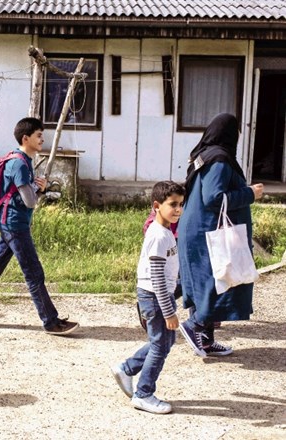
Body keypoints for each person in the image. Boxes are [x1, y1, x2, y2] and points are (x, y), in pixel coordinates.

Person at [0, 117, 79, 335]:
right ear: (26, 138)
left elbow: (24, 194)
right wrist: (40, 189)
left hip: (10, 222)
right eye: (39, 135)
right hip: (14, 224)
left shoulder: (20, 160)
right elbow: (29, 200)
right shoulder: (20, 164)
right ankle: (51, 322)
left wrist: (35, 188)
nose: (42, 139)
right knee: (34, 273)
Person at [177, 113, 263, 357]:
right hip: (208, 232)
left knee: (206, 281)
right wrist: (249, 194)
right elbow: (214, 198)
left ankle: (205, 340)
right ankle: (194, 326)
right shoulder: (220, 160)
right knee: (220, 281)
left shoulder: (205, 156)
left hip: (197, 230)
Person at [111, 181, 184, 415]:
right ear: (156, 205)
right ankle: (143, 394)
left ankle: (126, 368)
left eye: (181, 205)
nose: (178, 210)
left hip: (158, 296)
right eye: (172, 204)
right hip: (155, 297)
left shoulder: (166, 232)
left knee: (164, 342)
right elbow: (157, 278)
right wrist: (170, 311)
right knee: (160, 346)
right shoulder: (158, 236)